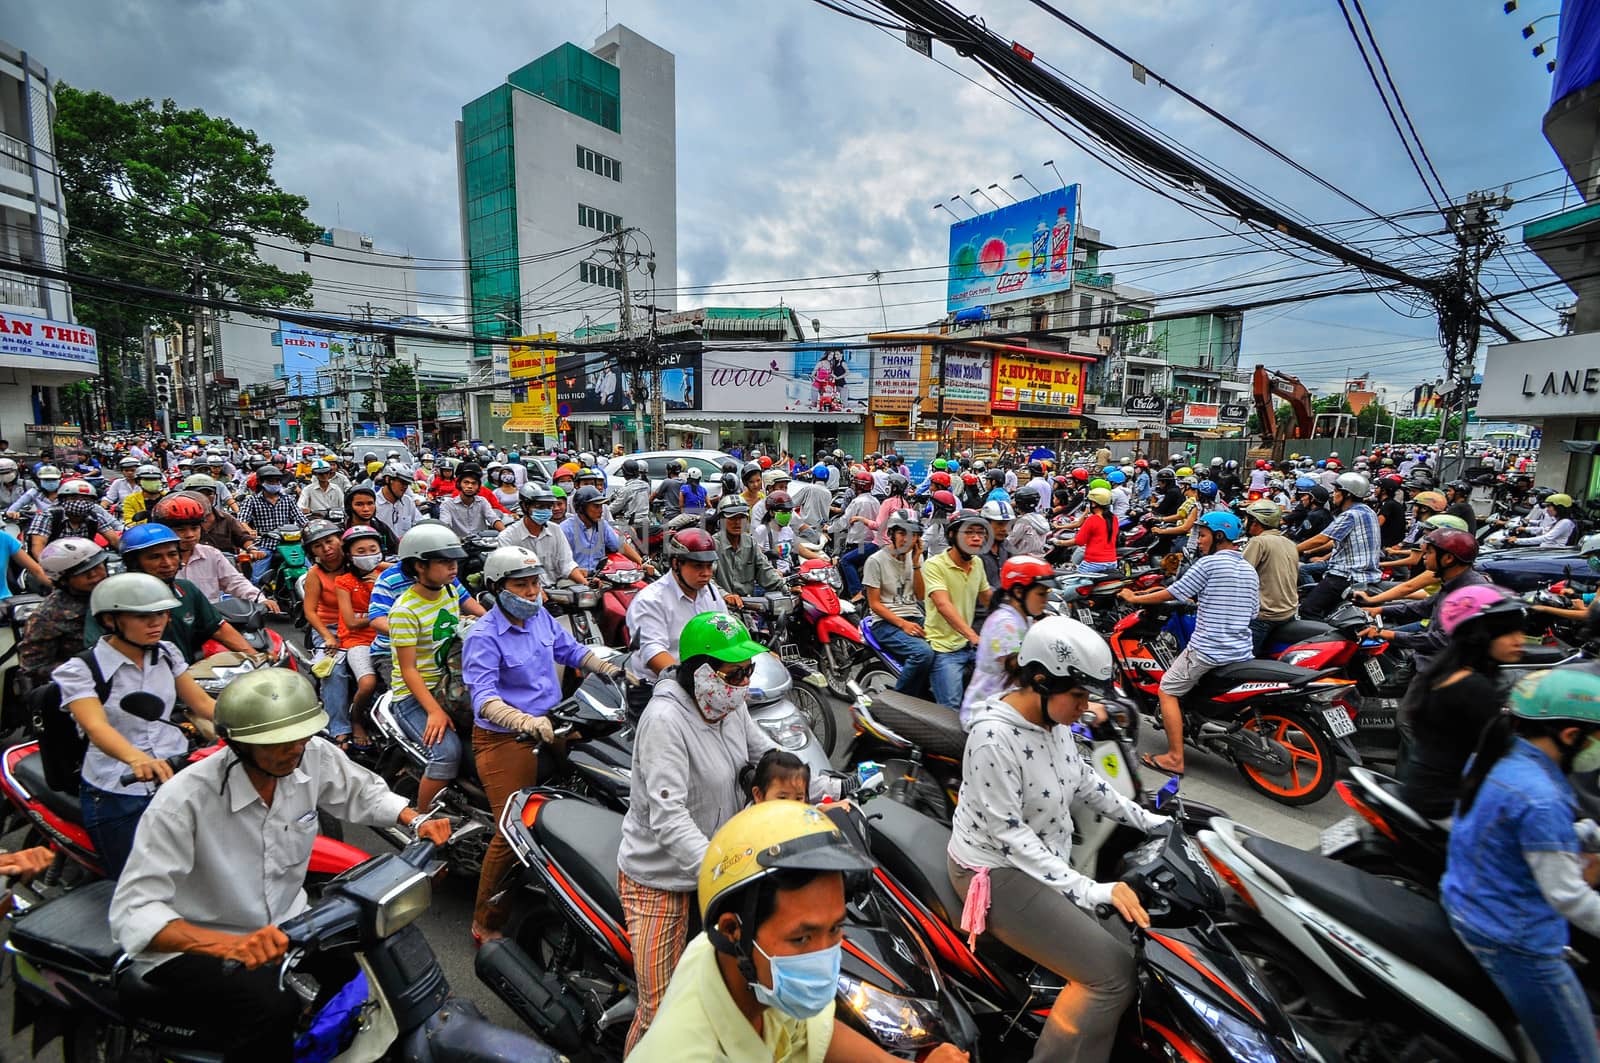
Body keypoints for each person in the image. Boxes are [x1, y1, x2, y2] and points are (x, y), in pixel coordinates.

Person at [107, 668, 451, 1063]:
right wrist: (230, 946)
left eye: (300, 737)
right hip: (204, 941)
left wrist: (415, 819)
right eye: (277, 743)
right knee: (270, 1009)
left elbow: (361, 791)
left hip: (287, 922)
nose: (293, 749)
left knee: (369, 970)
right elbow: (134, 912)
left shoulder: (310, 756)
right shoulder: (182, 801)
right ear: (239, 744)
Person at [948, 616, 1161, 1063]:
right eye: (1079, 695)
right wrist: (1089, 888)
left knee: (1137, 946)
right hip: (996, 873)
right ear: (1042, 682)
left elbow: (1085, 780)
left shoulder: (1053, 724)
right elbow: (1008, 834)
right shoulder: (993, 738)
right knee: (1111, 975)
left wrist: (1151, 821)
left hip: (1045, 862)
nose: (1085, 707)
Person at [634, 799, 968, 1063]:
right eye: (802, 938)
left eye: (835, 928)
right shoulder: (688, 1053)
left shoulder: (750, 975)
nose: (823, 956)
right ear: (732, 930)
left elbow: (811, 1033)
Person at [616, 612, 782, 1054]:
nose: (744, 680)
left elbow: (767, 756)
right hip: (663, 881)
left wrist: (824, 787)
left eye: (748, 670)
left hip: (720, 871)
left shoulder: (727, 702)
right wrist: (721, 873)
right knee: (662, 1013)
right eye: (735, 672)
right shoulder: (665, 721)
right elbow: (669, 818)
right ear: (701, 673)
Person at [461, 546, 631, 942]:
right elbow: (483, 697)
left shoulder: (541, 617)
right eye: (521, 585)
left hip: (554, 722)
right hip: (507, 735)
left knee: (608, 775)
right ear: (496, 589)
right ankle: (486, 922)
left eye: (535, 583)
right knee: (513, 826)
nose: (532, 592)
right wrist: (522, 720)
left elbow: (569, 650)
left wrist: (611, 669)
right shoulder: (483, 636)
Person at [1440, 669, 1600, 1063]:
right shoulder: (1541, 797)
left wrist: (1590, 835)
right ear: (1569, 735)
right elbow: (1570, 898)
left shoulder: (1496, 758)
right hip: (1517, 941)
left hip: (1470, 905)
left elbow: (1511, 835)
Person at [55, 572, 216, 875]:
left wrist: (258, 725)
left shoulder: (166, 653)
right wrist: (136, 758)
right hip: (119, 791)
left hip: (177, 776)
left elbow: (203, 704)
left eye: (162, 613)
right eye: (143, 616)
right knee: (136, 882)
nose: (156, 622)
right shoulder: (80, 670)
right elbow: (96, 727)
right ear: (110, 620)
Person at [1119, 512, 1258, 776]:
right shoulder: (1248, 569)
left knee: (1168, 690)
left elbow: (1173, 592)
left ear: (1219, 537)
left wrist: (1134, 597)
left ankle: (1174, 757)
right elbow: (1251, 612)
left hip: (1208, 650)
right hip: (1241, 651)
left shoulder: (1209, 565)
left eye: (1203, 535)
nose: (1200, 541)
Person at [1397, 586, 1527, 821]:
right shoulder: (1472, 687)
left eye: (1519, 631)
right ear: (1479, 635)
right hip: (1444, 805)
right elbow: (1500, 751)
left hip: (1425, 790)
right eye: (1507, 632)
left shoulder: (1446, 672)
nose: (1519, 640)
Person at [386, 523, 468, 816]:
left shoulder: (449, 591)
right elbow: (408, 670)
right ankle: (420, 820)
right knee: (447, 754)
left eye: (454, 560)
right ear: (419, 566)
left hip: (452, 682)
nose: (453, 567)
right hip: (413, 697)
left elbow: (463, 621)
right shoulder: (404, 611)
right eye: (445, 562)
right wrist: (433, 710)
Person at [95, 524, 254, 664]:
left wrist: (254, 658)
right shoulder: (113, 598)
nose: (167, 563)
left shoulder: (186, 589)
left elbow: (218, 628)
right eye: (155, 557)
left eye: (172, 554)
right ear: (134, 562)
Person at [960, 555, 1054, 727]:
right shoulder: (1004, 623)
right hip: (988, 714)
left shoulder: (1023, 617)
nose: (1045, 601)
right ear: (1019, 592)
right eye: (1041, 594)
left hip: (1010, 708)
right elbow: (1019, 671)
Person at [923, 511, 994, 712]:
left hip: (969, 645)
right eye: (969, 532)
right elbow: (943, 605)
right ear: (952, 535)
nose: (977, 537)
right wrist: (973, 635)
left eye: (981, 533)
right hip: (943, 648)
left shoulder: (977, 563)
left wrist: (1021, 619)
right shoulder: (934, 565)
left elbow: (988, 598)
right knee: (951, 710)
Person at [158, 493, 277, 613]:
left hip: (213, 620)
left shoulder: (211, 554)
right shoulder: (156, 561)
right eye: (180, 530)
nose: (190, 535)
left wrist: (260, 599)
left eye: (194, 528)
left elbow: (234, 581)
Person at [18, 538, 111, 688]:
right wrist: (84, 668)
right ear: (63, 579)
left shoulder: (118, 592)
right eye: (84, 572)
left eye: (98, 566)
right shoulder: (48, 615)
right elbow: (33, 666)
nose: (94, 575)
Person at [861, 510, 933, 699]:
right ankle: (896, 702)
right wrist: (903, 624)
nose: (907, 540)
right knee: (923, 653)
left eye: (913, 534)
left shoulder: (915, 558)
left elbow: (920, 595)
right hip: (884, 623)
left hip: (914, 615)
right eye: (902, 533)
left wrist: (917, 562)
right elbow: (875, 604)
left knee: (948, 648)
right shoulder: (875, 561)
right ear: (892, 534)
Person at [1296, 473, 1381, 621]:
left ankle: (1323, 642)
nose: (1334, 495)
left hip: (1345, 576)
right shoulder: (1368, 512)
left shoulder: (1350, 515)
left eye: (1336, 492)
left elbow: (1322, 539)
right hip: (1364, 575)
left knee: (1308, 609)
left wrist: (1290, 550)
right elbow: (1333, 542)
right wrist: (1310, 550)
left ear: (1347, 494)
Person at [333, 525, 387, 749]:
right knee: (368, 682)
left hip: (389, 635)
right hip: (358, 640)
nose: (368, 555)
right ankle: (356, 721)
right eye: (361, 551)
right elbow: (352, 622)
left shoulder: (387, 573)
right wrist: (381, 612)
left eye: (372, 549)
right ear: (349, 555)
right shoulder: (343, 582)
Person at [1240, 500, 1299, 655]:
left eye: (1247, 519)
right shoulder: (1289, 543)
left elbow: (1239, 575)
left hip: (1264, 616)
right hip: (1288, 613)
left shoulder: (1258, 542)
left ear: (1256, 522)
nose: (1245, 523)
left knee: (1238, 662)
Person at [499, 482, 585, 586]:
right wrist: (538, 591)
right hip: (527, 593)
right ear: (524, 506)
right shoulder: (507, 537)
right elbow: (513, 574)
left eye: (548, 507)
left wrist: (586, 584)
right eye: (540, 506)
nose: (545, 511)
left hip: (556, 590)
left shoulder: (556, 530)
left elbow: (567, 565)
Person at [236, 466, 306, 584]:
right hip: (265, 545)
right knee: (256, 580)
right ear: (261, 483)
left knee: (308, 573)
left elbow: (301, 520)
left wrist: (311, 528)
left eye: (277, 481)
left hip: (289, 544)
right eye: (270, 481)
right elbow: (241, 521)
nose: (274, 484)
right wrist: (249, 530)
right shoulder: (251, 501)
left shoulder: (288, 499)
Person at [712, 496, 784, 609]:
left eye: (742, 517)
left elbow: (764, 570)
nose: (737, 522)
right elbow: (707, 580)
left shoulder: (750, 542)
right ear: (721, 520)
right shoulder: (712, 545)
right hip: (719, 609)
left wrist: (785, 587)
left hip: (747, 608)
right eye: (732, 518)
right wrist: (725, 595)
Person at [565, 485, 650, 575]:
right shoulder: (566, 529)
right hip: (575, 581)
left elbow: (620, 545)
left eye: (601, 506)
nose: (601, 511)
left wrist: (641, 563)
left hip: (600, 578)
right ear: (581, 508)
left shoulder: (603, 525)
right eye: (596, 506)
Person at [27, 479, 122, 559]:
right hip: (52, 560)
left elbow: (114, 540)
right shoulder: (48, 517)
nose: (80, 502)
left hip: (83, 561)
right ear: (62, 499)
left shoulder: (95, 518)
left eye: (86, 499)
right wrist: (47, 568)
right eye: (73, 498)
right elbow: (37, 548)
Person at [836, 471, 881, 599]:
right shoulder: (876, 501)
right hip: (872, 543)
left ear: (858, 485)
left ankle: (856, 592)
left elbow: (844, 522)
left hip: (858, 544)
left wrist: (829, 529)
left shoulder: (857, 502)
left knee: (845, 561)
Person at [437, 462, 504, 538]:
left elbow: (493, 518)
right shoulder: (447, 505)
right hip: (458, 545)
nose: (469, 486)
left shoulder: (482, 501)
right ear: (459, 484)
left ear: (478, 487)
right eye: (466, 482)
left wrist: (505, 533)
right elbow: (445, 524)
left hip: (482, 543)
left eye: (474, 483)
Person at [1505, 493, 1578, 549]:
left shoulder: (1565, 522)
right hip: (1543, 551)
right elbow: (1543, 529)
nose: (1547, 509)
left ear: (1559, 508)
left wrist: (1518, 541)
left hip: (1550, 554)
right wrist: (1525, 529)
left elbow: (1547, 537)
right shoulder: (1557, 521)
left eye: (1549, 506)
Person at [374, 464, 425, 539]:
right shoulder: (373, 503)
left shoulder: (408, 502)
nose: (405, 487)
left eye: (407, 484)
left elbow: (420, 525)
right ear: (388, 479)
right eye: (402, 482)